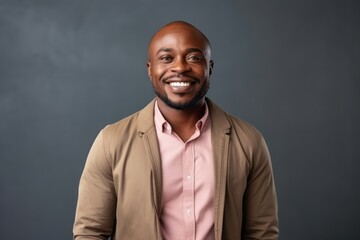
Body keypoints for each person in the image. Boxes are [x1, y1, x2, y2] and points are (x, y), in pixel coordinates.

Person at [73, 21, 279, 240]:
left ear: (209, 67)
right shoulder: (111, 142)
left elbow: (262, 233)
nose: (180, 67)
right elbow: (90, 232)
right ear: (150, 69)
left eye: (193, 57)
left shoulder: (248, 141)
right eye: (166, 58)